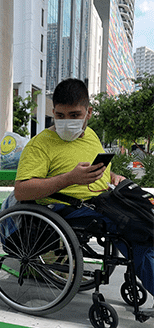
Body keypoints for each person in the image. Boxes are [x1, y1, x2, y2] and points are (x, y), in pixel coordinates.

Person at [14, 78, 153, 299]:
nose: (67, 121)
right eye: (60, 115)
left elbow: (96, 168)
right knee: (136, 227)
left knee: (147, 212)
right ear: (53, 111)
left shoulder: (91, 136)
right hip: (68, 208)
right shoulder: (40, 145)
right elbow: (21, 191)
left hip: (104, 199)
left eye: (74, 115)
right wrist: (69, 178)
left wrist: (113, 176)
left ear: (88, 113)